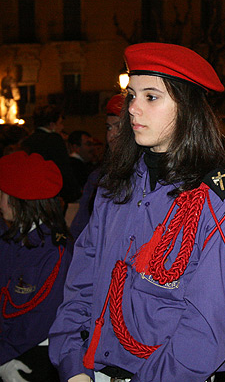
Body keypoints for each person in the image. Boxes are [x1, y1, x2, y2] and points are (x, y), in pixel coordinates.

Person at [48, 43, 225, 382]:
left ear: (188, 108)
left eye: (151, 97)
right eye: (131, 95)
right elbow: (81, 284)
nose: (133, 108)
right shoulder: (114, 186)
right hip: (95, 370)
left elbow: (205, 326)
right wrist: (73, 365)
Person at [0, 151, 72, 382]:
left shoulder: (54, 251)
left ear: (16, 200)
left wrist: (3, 357)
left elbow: (39, 320)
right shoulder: (11, 236)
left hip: (31, 353)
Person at [69, 94, 125, 240]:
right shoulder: (98, 177)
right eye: (108, 127)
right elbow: (80, 227)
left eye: (118, 126)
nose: (111, 135)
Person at [22, 105, 81, 205]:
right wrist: (75, 192)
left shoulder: (28, 140)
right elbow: (63, 168)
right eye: (61, 123)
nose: (63, 127)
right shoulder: (54, 139)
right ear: (52, 124)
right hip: (52, 194)